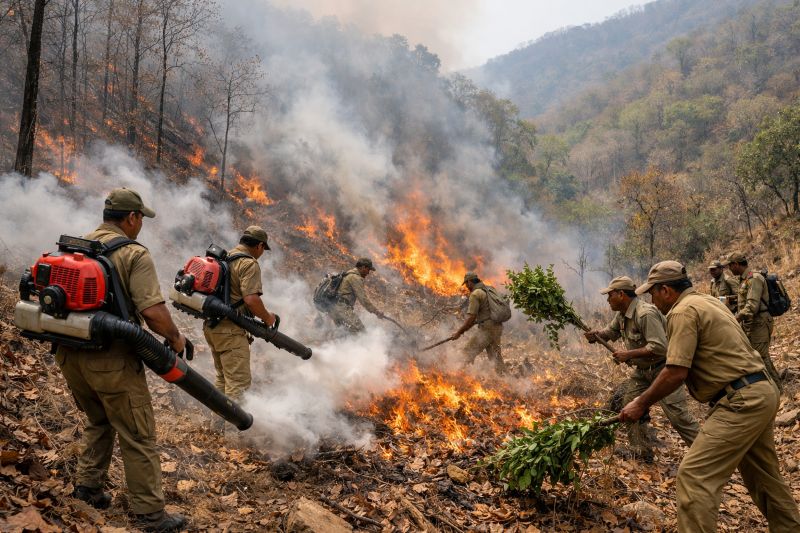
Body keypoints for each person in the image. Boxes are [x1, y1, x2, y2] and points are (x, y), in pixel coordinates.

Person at [620, 260, 800, 532]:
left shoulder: (682, 311)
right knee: (765, 478)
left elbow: (675, 372)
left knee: (694, 477)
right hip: (761, 391)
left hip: (741, 401)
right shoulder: (708, 301)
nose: (652, 301)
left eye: (653, 293)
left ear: (666, 290)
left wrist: (640, 402)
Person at [57, 188, 187, 532]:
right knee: (137, 434)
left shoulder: (79, 244)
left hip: (70, 354)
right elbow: (153, 312)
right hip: (111, 360)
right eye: (140, 217)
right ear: (131, 218)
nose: (141, 224)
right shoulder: (132, 254)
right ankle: (150, 515)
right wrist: (175, 338)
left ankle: (88, 489)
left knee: (99, 420)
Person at [584, 276, 698, 462]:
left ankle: (706, 452)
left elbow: (660, 347)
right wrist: (597, 335)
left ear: (621, 294)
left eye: (610, 295)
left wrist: (629, 354)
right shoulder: (622, 313)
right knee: (630, 405)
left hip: (664, 370)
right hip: (643, 372)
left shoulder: (645, 313)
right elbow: (611, 332)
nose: (607, 300)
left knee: (678, 416)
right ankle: (642, 451)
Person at [203, 226, 277, 412]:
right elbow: (251, 299)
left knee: (222, 379)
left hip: (213, 327)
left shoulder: (226, 257)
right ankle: (233, 437)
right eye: (263, 249)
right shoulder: (248, 264)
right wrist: (268, 318)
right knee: (239, 385)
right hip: (230, 331)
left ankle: (218, 428)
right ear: (260, 245)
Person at [726, 251, 781, 389]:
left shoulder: (754, 278)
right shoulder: (744, 280)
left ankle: (778, 389)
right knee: (754, 357)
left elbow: (752, 307)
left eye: (730, 266)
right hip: (751, 323)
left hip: (760, 322)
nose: (729, 270)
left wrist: (733, 319)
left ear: (736, 264)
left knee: (762, 357)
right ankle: (767, 387)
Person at [449, 272, 506, 374]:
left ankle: (455, 377)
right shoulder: (489, 289)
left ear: (470, 282)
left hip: (487, 329)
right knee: (496, 359)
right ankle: (508, 382)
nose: (466, 286)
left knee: (467, 352)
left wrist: (459, 332)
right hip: (497, 327)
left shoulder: (475, 294)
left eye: (466, 284)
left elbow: (471, 318)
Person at [327, 257, 385, 333]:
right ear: (363, 267)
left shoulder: (348, 274)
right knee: (361, 332)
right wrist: (376, 311)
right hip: (342, 308)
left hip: (334, 308)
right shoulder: (355, 277)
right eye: (368, 269)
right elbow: (363, 299)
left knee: (345, 334)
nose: (368, 273)